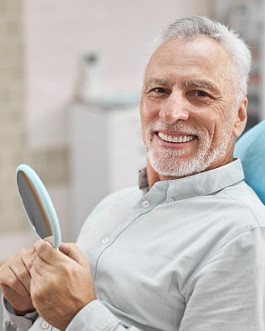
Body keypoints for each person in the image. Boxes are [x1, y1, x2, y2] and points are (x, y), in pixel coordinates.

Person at [1, 16, 265, 331]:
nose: (170, 112)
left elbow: (75, 317)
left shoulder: (239, 236)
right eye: (159, 90)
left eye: (199, 94)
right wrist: (26, 309)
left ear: (238, 116)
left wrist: (80, 316)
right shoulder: (113, 205)